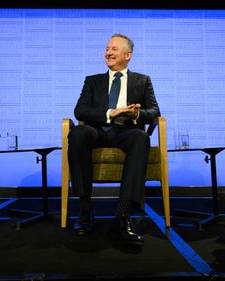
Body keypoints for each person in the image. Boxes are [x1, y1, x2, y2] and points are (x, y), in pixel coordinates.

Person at [68, 34, 160, 245]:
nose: (108, 52)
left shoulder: (142, 80)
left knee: (141, 137)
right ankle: (84, 210)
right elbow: (80, 110)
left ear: (127, 55)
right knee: (78, 133)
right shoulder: (93, 81)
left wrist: (135, 114)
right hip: (97, 131)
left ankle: (122, 215)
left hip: (126, 132)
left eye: (114, 49)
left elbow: (154, 111)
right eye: (107, 48)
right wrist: (112, 112)